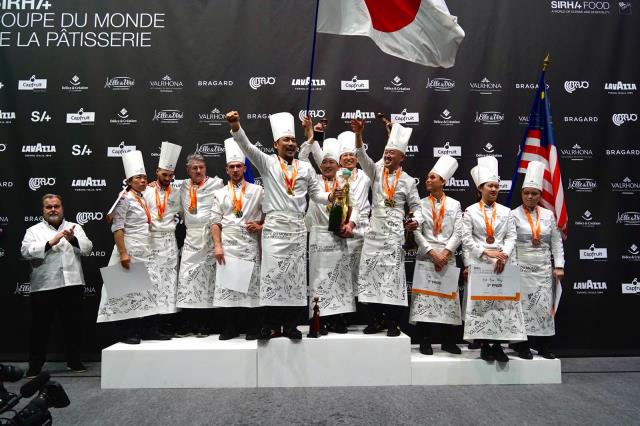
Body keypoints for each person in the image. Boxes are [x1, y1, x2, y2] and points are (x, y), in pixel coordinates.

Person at [225, 110, 336, 340]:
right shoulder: (267, 163)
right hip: (274, 228)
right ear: (276, 144)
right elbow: (246, 147)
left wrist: (333, 197)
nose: (292, 143)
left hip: (296, 228)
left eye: (294, 140)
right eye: (286, 140)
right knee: (273, 276)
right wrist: (236, 125)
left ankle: (291, 325)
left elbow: (318, 197)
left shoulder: (305, 168)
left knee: (294, 278)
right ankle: (270, 325)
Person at [352, 118, 422, 337]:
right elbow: (361, 156)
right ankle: (376, 320)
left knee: (392, 280)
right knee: (370, 277)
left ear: (402, 157)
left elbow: (418, 207)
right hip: (373, 235)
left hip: (393, 237)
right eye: (386, 151)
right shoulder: (375, 173)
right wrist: (359, 134)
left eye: (393, 152)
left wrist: (415, 221)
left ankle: (393, 323)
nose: (388, 155)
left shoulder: (408, 181)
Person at [97, 150, 169, 344]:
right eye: (138, 178)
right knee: (125, 291)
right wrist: (123, 253)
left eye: (145, 178)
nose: (143, 181)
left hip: (144, 249)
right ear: (129, 181)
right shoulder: (124, 198)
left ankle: (150, 330)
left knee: (149, 289)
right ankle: (128, 332)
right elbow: (117, 227)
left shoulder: (142, 197)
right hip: (129, 249)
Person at [461, 156, 525, 363]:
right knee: (482, 306)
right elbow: (466, 239)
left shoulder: (506, 212)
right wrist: (484, 253)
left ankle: (498, 346)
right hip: (481, 263)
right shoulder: (470, 211)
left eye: (497, 186)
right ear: (480, 188)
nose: (494, 190)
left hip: (502, 263)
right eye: (490, 186)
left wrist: (504, 254)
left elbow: (511, 236)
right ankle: (485, 345)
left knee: (501, 305)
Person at [21, 194, 93, 377]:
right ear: (43, 210)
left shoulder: (75, 228)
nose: (53, 209)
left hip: (72, 285)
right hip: (44, 286)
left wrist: (72, 240)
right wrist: (50, 242)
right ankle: (35, 366)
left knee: (73, 327)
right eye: (49, 207)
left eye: (56, 206)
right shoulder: (33, 231)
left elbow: (88, 248)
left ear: (62, 208)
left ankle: (74, 361)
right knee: (39, 329)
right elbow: (25, 252)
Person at [300, 130, 358, 333]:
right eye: (324, 163)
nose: (327, 166)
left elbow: (355, 207)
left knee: (339, 278)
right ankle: (319, 319)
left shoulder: (345, 183)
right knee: (318, 279)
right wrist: (310, 138)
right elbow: (301, 158)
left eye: (331, 162)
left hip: (337, 235)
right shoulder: (313, 180)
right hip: (317, 234)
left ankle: (338, 318)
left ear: (338, 165)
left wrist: (350, 224)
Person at [211, 138, 265, 340]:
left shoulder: (257, 190)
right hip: (228, 243)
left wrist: (261, 226)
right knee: (229, 286)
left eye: (239, 166)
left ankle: (252, 328)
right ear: (226, 169)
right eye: (232, 167)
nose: (235, 170)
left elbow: (270, 213)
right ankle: (230, 328)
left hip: (249, 244)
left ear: (244, 168)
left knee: (250, 288)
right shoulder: (220, 193)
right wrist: (217, 246)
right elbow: (215, 222)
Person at [510, 161, 565, 359]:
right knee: (522, 307)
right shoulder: (513, 215)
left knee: (543, 309)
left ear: (540, 195)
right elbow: (511, 243)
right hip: (522, 268)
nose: (530, 197)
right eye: (527, 193)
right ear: (522, 194)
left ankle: (543, 346)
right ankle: (521, 345)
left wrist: (559, 265)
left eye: (534, 193)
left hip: (542, 268)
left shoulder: (549, 215)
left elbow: (556, 242)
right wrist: (513, 268)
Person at [410, 155, 463, 355]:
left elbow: (459, 231)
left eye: (432, 177)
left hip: (447, 256)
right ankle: (425, 340)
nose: (428, 180)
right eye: (427, 178)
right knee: (426, 298)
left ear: (443, 181)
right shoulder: (420, 204)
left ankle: (448, 341)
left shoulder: (455, 204)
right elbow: (415, 231)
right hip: (427, 256)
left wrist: (446, 252)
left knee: (447, 298)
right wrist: (432, 253)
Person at [175, 153, 223, 337]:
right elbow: (180, 210)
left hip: (209, 238)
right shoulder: (184, 186)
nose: (198, 171)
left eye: (201, 167)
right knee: (187, 281)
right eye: (194, 168)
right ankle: (188, 323)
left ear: (206, 169)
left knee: (207, 282)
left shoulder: (216, 184)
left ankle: (204, 324)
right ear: (188, 171)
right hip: (190, 238)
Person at [145, 142, 183, 334]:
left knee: (168, 284)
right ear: (157, 172)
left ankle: (166, 326)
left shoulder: (177, 193)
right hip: (150, 241)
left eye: (170, 175)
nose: (167, 178)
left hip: (169, 241)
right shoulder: (146, 191)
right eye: (164, 174)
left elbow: (189, 212)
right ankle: (150, 327)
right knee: (151, 282)